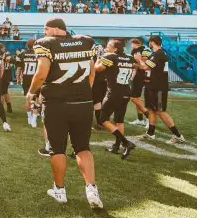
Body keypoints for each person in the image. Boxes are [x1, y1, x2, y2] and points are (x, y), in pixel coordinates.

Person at [26, 18, 103, 208]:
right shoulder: (86, 41)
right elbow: (92, 73)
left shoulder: (46, 44)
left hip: (57, 103)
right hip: (83, 101)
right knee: (83, 147)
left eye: (45, 29)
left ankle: (59, 190)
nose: (44, 32)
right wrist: (83, 93)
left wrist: (31, 92)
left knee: (57, 148)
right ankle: (91, 189)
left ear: (54, 29)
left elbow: (42, 72)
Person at [93, 39, 138, 158]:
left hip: (114, 93)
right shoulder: (129, 57)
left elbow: (98, 69)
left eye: (109, 46)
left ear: (115, 49)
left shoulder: (111, 56)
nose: (107, 47)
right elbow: (137, 66)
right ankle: (116, 147)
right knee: (119, 120)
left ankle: (125, 143)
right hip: (126, 92)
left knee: (102, 119)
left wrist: (98, 59)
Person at [136, 35, 185, 144]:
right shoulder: (156, 54)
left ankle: (178, 135)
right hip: (152, 86)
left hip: (158, 87)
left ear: (152, 42)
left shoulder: (159, 54)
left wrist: (139, 59)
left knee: (160, 111)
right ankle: (150, 133)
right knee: (151, 110)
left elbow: (145, 67)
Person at [127, 38, 151, 127]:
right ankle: (141, 119)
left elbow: (144, 67)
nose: (131, 45)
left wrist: (135, 64)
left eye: (132, 43)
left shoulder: (146, 50)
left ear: (136, 43)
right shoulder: (134, 50)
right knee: (136, 98)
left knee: (135, 98)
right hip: (137, 76)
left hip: (146, 76)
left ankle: (149, 117)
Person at [16, 39, 39, 126]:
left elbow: (18, 68)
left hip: (25, 78)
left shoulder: (22, 54)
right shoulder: (38, 54)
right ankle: (34, 119)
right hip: (35, 78)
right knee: (36, 99)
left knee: (28, 98)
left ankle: (29, 118)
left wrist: (18, 78)